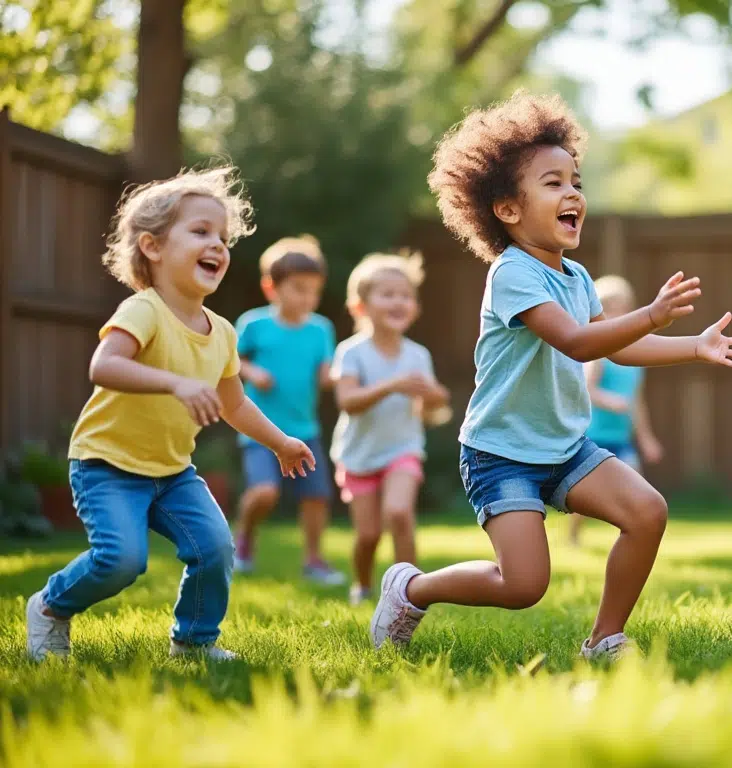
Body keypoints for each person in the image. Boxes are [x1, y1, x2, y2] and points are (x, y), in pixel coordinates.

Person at [368, 91, 732, 661]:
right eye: (553, 183)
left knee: (647, 511)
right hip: (501, 452)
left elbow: (617, 349)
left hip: (564, 445)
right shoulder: (512, 274)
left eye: (576, 181)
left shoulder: (576, 277)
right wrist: (648, 312)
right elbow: (573, 340)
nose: (573, 192)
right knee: (523, 586)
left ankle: (604, 639)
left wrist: (693, 345)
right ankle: (410, 588)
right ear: (507, 209)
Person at [26, 167, 314, 661]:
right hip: (107, 464)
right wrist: (175, 383)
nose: (218, 245)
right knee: (121, 561)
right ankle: (51, 606)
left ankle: (194, 642)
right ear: (153, 248)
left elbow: (235, 403)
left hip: (173, 472)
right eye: (200, 232)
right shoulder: (145, 310)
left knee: (214, 548)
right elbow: (105, 366)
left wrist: (280, 442)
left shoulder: (222, 332)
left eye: (223, 237)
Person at [331, 251, 450, 605]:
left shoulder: (417, 355)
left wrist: (432, 395)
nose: (399, 302)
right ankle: (363, 585)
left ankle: (410, 596)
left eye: (406, 296)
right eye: (388, 294)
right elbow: (347, 401)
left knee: (399, 513)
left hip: (403, 449)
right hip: (358, 455)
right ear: (360, 306)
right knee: (367, 535)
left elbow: (437, 404)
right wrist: (391, 386)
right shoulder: (351, 352)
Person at [231, 235, 344, 585]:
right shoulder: (253, 324)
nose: (308, 298)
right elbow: (229, 362)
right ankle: (244, 541)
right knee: (265, 492)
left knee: (316, 496)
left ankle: (314, 560)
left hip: (304, 428)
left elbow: (327, 375)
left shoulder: (321, 329)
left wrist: (351, 375)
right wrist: (253, 371)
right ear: (271, 287)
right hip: (260, 428)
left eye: (314, 291)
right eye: (299, 289)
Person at [570, 275, 665, 547]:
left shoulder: (634, 355)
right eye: (610, 307)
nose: (618, 313)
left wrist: (646, 438)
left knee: (638, 486)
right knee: (584, 496)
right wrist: (610, 401)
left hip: (621, 437)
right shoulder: (600, 352)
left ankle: (632, 535)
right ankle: (574, 532)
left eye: (624, 307)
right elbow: (587, 389)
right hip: (594, 436)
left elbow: (637, 401)